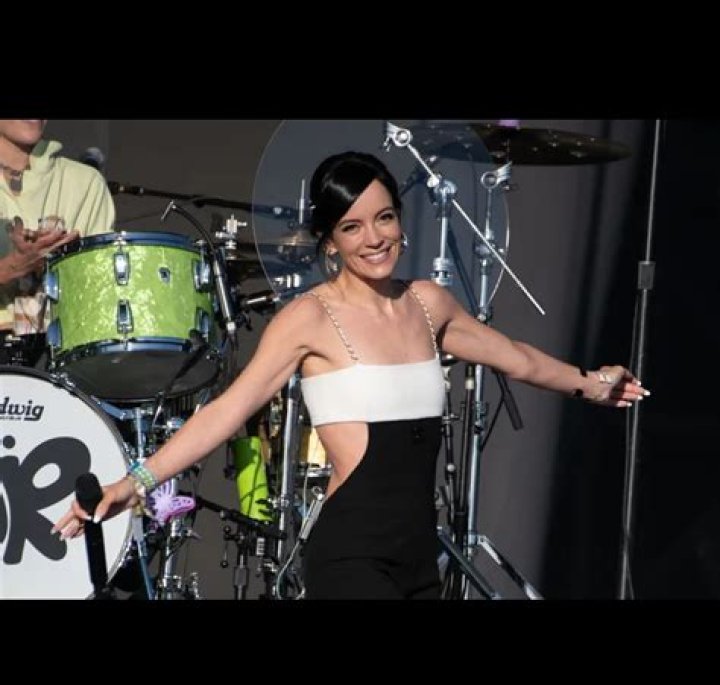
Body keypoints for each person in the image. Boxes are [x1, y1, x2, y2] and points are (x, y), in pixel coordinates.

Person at [53, 150, 649, 599]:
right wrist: (131, 483)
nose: (375, 238)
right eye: (352, 227)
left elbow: (515, 356)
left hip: (420, 554)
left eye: (384, 218)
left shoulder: (427, 304)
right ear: (331, 241)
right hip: (351, 555)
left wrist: (591, 383)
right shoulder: (309, 318)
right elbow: (228, 411)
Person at [0, 119, 115, 358]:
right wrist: (12, 267)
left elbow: (103, 292)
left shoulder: (85, 183)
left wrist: (67, 268)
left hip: (59, 356)